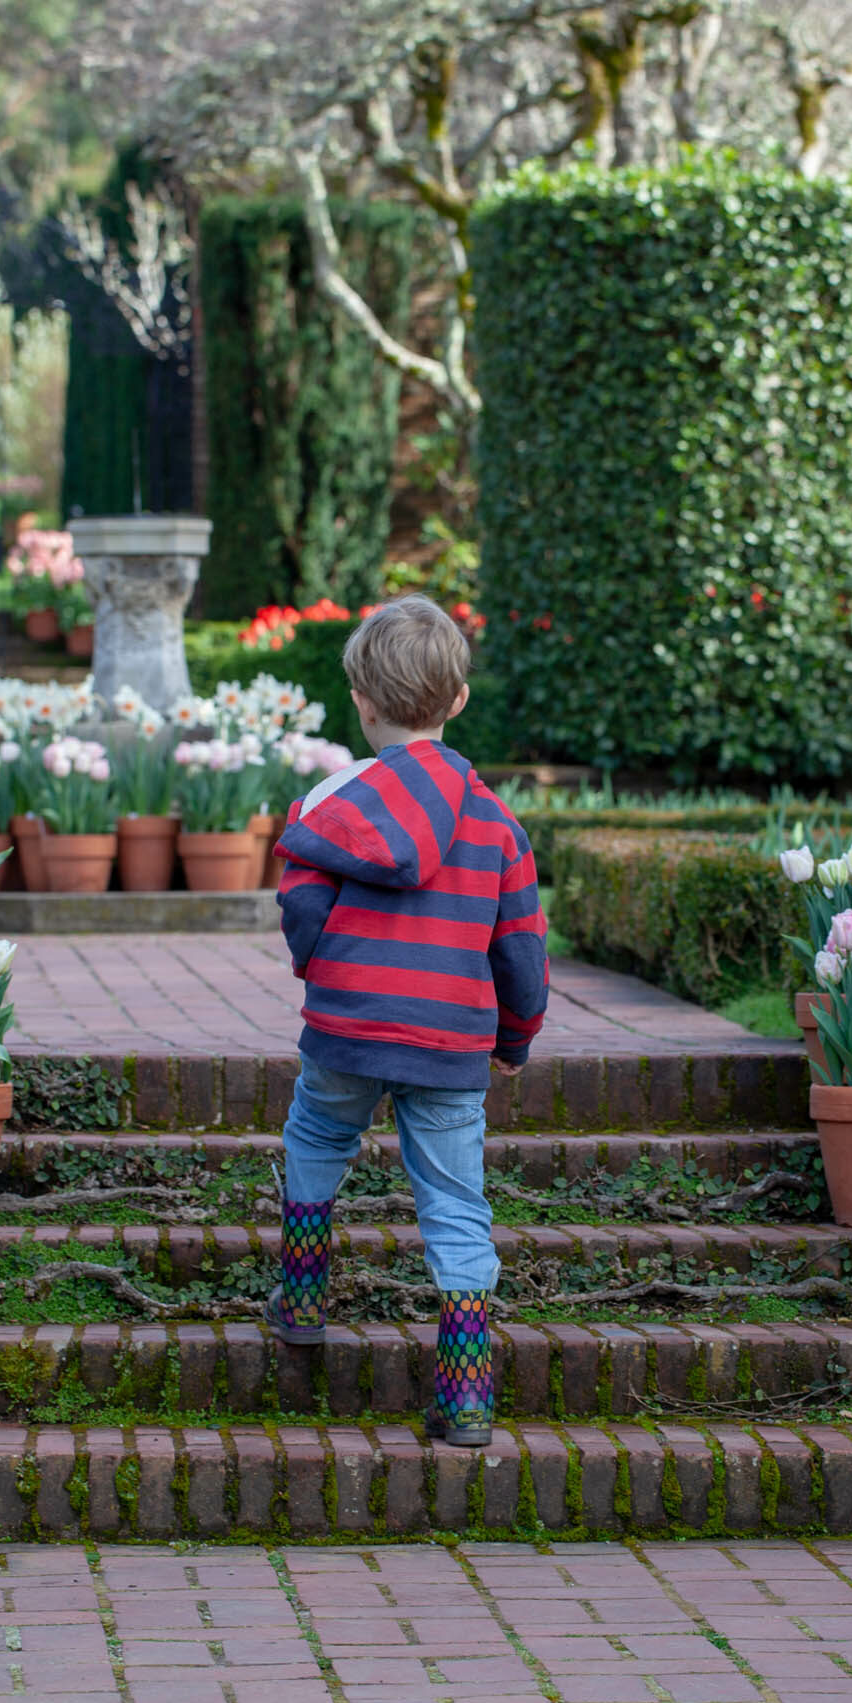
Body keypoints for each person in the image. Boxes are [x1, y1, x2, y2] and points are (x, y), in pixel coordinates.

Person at [268, 594, 549, 1447]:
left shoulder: (332, 802)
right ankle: (465, 1392)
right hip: (450, 1041)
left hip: (348, 1027)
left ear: (360, 698)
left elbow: (301, 909)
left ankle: (303, 1293)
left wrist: (323, 973)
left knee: (317, 1138)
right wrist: (513, 1039)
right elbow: (519, 953)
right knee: (455, 1202)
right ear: (456, 700)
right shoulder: (496, 823)